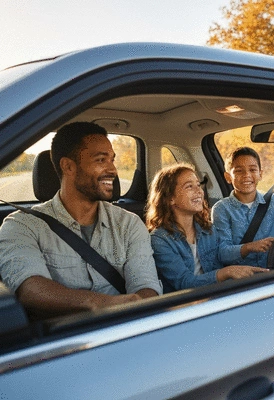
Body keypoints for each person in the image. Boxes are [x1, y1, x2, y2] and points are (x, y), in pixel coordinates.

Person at [0, 122, 162, 319]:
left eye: (112, 160)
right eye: (101, 160)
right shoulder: (21, 226)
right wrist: (100, 304)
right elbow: (30, 288)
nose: (113, 170)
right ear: (68, 166)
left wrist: (137, 306)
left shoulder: (130, 224)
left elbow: (147, 286)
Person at [146, 163, 266, 293]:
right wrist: (225, 273)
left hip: (216, 294)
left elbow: (222, 255)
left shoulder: (207, 229)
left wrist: (250, 247)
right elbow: (184, 283)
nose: (199, 191)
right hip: (184, 306)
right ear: (170, 198)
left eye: (198, 185)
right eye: (189, 187)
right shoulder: (160, 240)